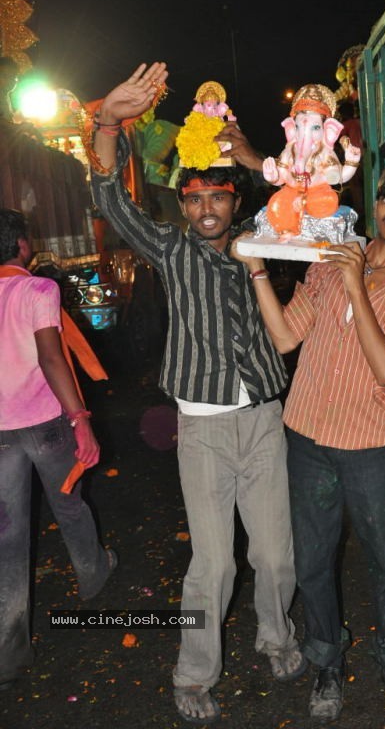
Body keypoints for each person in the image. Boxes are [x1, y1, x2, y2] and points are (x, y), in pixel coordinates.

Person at [89, 63, 305, 725]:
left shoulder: (263, 239)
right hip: (205, 429)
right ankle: (193, 675)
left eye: (218, 196)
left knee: (273, 556)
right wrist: (105, 124)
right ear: (182, 205)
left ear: (234, 200)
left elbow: (310, 195)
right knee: (211, 566)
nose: (206, 208)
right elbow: (109, 199)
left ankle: (277, 640)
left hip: (265, 420)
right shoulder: (171, 249)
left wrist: (245, 154)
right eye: (194, 199)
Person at [233, 160, 385, 723]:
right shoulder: (329, 260)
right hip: (306, 438)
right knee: (315, 562)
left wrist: (357, 283)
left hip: (371, 447)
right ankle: (326, 659)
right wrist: (256, 271)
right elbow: (283, 338)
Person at [0, 209, 116, 691]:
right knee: (69, 504)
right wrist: (81, 419)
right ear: (23, 246)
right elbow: (51, 357)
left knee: (7, 538)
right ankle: (93, 578)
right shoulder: (37, 290)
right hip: (47, 422)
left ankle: (8, 653)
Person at [0, 56, 19, 121]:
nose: (9, 80)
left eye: (13, 76)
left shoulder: (5, 95)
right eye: (5, 75)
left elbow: (8, 118)